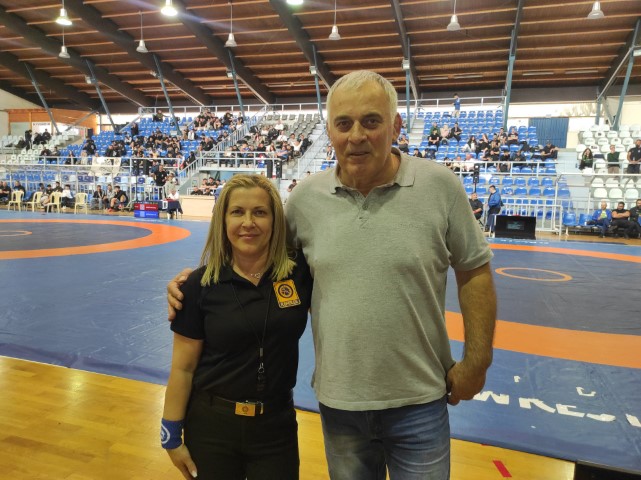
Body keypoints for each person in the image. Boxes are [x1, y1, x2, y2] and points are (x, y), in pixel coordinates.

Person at [167, 70, 496, 480]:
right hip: (341, 405)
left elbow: (475, 270)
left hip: (420, 400)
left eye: (371, 121)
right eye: (344, 123)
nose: (356, 135)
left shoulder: (439, 186)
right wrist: (195, 283)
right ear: (329, 132)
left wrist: (477, 362)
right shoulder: (305, 199)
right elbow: (260, 261)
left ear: (395, 125)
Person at [162, 174, 312, 479]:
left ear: (275, 220)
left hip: (276, 426)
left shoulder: (300, 274)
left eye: (260, 212)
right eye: (237, 212)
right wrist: (171, 436)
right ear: (223, 220)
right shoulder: (198, 286)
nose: (248, 223)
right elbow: (183, 369)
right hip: (211, 427)